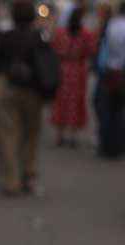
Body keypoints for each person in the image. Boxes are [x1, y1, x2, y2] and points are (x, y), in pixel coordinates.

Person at [0, 0, 45, 195]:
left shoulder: (6, 37)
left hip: (9, 88)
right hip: (33, 91)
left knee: (8, 135)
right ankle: (28, 176)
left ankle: (10, 180)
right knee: (30, 135)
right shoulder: (38, 38)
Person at [50, 7, 95, 147]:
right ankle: (73, 136)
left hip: (63, 69)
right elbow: (91, 51)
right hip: (78, 70)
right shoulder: (86, 34)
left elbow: (53, 48)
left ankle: (60, 135)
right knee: (76, 102)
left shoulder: (61, 33)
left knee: (61, 102)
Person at [97, 3, 125, 158]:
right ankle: (118, 146)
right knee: (119, 111)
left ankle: (106, 145)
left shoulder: (112, 25)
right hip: (122, 72)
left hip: (108, 71)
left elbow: (104, 47)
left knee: (108, 109)